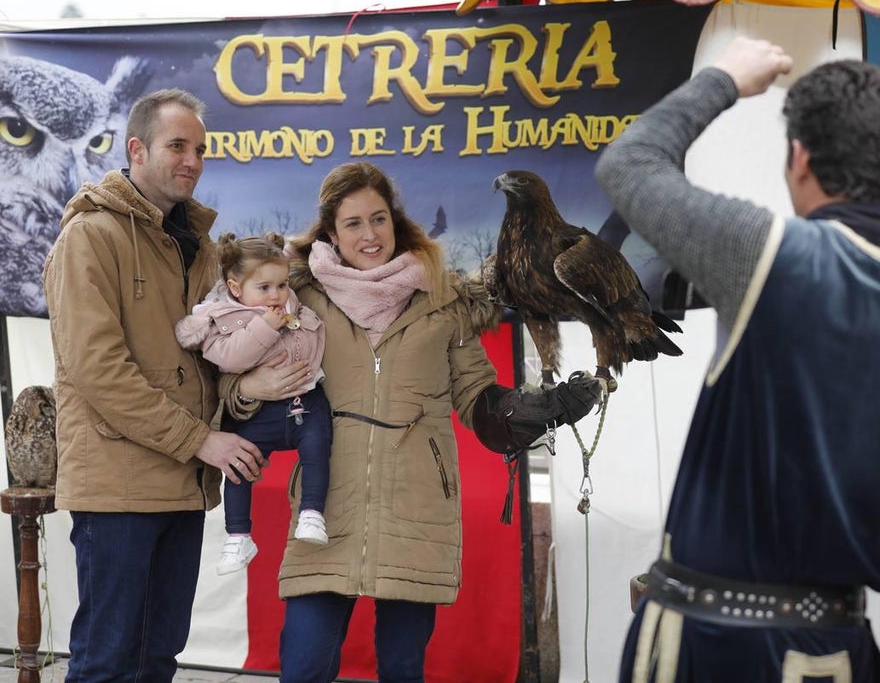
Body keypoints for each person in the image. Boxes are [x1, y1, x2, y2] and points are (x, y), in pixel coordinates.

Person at [594, 37, 880, 682]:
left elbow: (628, 165)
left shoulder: (769, 253)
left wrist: (722, 79)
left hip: (709, 646)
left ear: (798, 158)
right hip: (833, 649)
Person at [216, 160, 604, 683]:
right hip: (326, 504)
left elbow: (476, 396)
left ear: (395, 222)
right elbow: (234, 363)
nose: (369, 234)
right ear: (331, 231)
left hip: (418, 503)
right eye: (353, 223)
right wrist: (246, 391)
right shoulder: (299, 298)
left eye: (378, 219)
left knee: (402, 668)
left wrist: (535, 410)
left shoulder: (442, 299)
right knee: (304, 665)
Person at [42, 89, 267, 683]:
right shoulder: (90, 237)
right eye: (177, 146)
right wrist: (202, 441)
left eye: (199, 149)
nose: (191, 159)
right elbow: (98, 371)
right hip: (118, 487)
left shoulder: (199, 247)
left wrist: (249, 392)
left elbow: (211, 356)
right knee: (107, 661)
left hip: (181, 483)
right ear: (136, 149)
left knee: (157, 658)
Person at [176, 232, 332, 575]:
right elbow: (229, 360)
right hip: (256, 413)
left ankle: (312, 512)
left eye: (282, 284)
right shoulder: (222, 319)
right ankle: (238, 534)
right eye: (264, 288)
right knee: (238, 466)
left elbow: (312, 338)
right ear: (235, 288)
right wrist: (265, 328)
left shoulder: (291, 305)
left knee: (318, 444)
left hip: (302, 398)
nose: (276, 295)